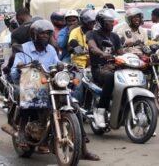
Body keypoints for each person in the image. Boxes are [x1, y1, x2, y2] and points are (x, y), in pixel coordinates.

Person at [11, 19, 99, 160]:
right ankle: (21, 131)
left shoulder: (51, 50)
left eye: (48, 33)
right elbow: (15, 71)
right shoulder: (24, 49)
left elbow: (57, 64)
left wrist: (69, 66)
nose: (45, 36)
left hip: (50, 85)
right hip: (30, 85)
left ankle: (83, 149)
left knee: (75, 107)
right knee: (29, 99)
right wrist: (22, 65)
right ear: (34, 34)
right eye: (42, 33)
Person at [87, 8, 124, 128]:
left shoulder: (115, 36)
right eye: (108, 21)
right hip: (99, 68)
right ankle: (100, 110)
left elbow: (121, 52)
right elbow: (92, 47)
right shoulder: (92, 34)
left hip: (114, 67)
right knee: (110, 78)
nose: (111, 23)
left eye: (112, 21)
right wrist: (102, 53)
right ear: (101, 22)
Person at [68, 9, 97, 106]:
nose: (93, 24)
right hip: (78, 65)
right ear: (84, 22)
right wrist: (75, 48)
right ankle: (77, 109)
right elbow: (71, 44)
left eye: (94, 22)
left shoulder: (95, 33)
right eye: (91, 22)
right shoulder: (75, 32)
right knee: (78, 85)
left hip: (92, 64)